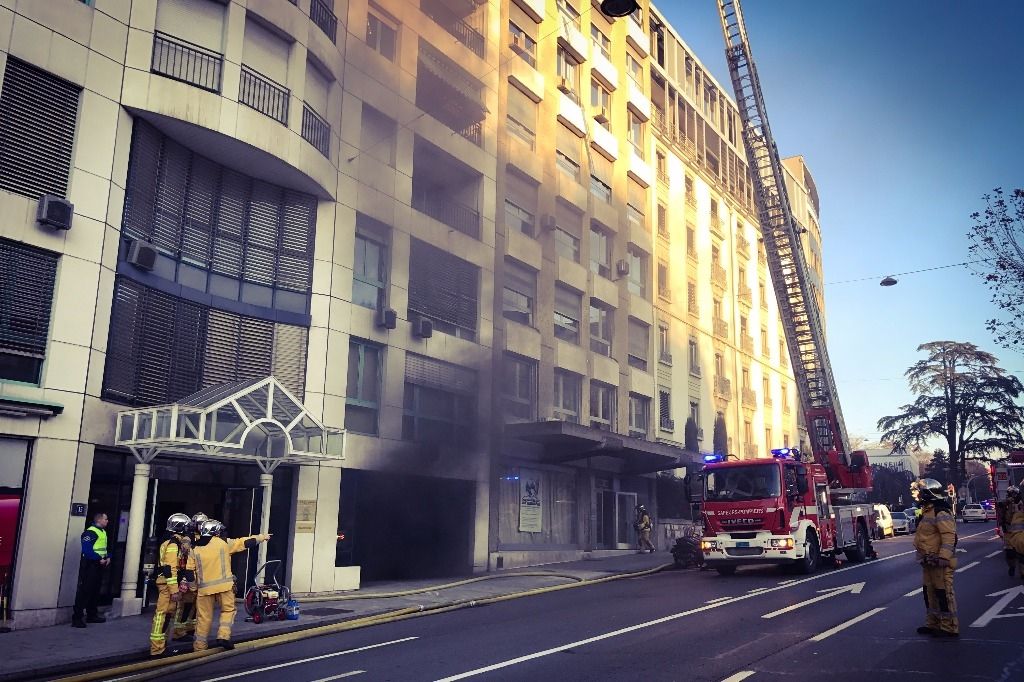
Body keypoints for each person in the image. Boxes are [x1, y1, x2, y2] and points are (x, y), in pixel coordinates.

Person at [192, 520, 270, 651]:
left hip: (204, 590)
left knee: (203, 618)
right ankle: (223, 636)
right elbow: (244, 542)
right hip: (224, 588)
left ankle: (199, 647)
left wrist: (193, 588)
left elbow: (190, 571)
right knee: (228, 611)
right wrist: (262, 537)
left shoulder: (195, 548)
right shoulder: (223, 543)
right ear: (216, 532)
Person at [913, 478, 959, 638]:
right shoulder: (927, 511)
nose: (918, 495)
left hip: (940, 562)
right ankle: (933, 623)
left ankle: (949, 627)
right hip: (929, 562)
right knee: (929, 593)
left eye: (921, 492)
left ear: (928, 494)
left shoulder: (941, 511)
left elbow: (949, 536)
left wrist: (944, 557)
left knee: (943, 593)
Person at [150, 513, 192, 656]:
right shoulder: (173, 544)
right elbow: (169, 568)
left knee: (168, 614)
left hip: (168, 584)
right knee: (162, 615)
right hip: (167, 585)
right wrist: (174, 590)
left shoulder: (174, 542)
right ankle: (156, 648)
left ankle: (161, 644)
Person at [171, 513, 207, 641]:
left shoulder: (203, 537)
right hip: (187, 574)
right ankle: (178, 632)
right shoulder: (187, 537)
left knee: (195, 604)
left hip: (199, 575)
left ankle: (190, 628)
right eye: (201, 524)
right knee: (184, 605)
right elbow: (186, 550)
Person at [72, 512, 110, 628]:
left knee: (95, 591)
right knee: (85, 591)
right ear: (99, 520)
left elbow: (103, 547)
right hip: (91, 565)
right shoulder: (90, 532)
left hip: (99, 565)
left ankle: (91, 615)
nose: (107, 521)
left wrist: (108, 557)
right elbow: (87, 550)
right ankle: (77, 618)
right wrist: (99, 559)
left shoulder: (102, 532)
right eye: (106, 519)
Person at [1004, 486, 1024, 580]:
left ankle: (1022, 573)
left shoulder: (1021, 504)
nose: (1013, 496)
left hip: (1020, 533)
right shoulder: (1005, 503)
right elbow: (1002, 516)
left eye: (1015, 494)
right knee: (1010, 553)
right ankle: (1012, 567)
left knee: (1021, 555)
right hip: (1009, 532)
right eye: (1012, 494)